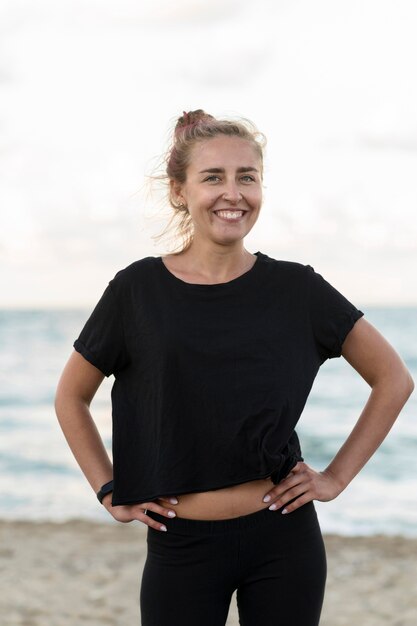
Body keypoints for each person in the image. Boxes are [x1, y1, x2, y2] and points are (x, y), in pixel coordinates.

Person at [55, 109, 414, 626]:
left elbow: (393, 379)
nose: (233, 193)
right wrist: (108, 489)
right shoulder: (136, 291)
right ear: (180, 190)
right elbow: (71, 396)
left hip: (284, 540)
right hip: (179, 544)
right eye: (213, 177)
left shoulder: (297, 289)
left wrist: (335, 478)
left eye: (247, 177)